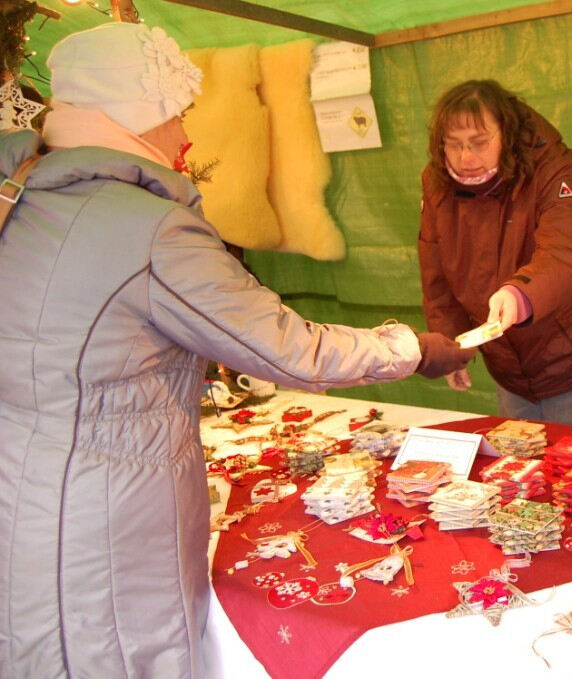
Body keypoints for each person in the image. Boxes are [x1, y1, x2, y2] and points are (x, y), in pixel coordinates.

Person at [0, 23, 474, 678]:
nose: (187, 133)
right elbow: (292, 350)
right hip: (107, 533)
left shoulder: (21, 197)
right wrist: (413, 346)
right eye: (176, 113)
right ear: (137, 114)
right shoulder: (148, 228)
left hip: (21, 507)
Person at [418, 80, 572, 427]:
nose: (465, 157)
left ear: (506, 132)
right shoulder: (436, 182)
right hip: (508, 362)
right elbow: (436, 271)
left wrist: (520, 295)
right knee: (519, 465)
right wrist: (450, 345)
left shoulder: (553, 166)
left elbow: (568, 251)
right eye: (454, 145)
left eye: (479, 143)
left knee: (568, 462)